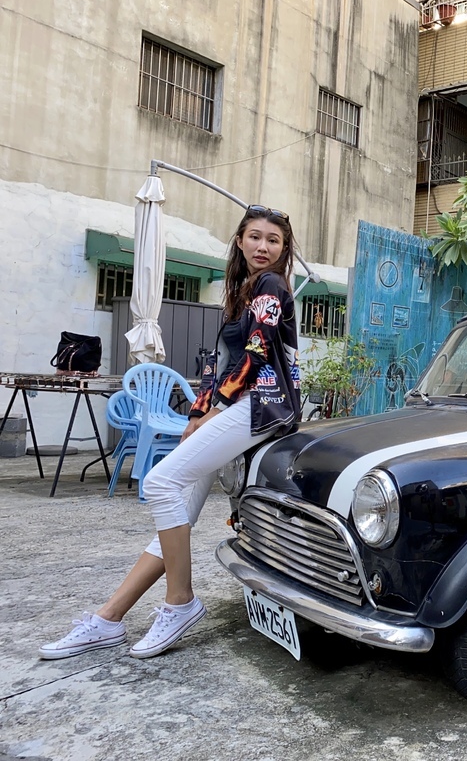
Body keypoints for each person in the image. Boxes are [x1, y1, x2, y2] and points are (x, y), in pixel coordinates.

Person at [39, 205, 302, 660]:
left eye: (273, 240)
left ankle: (180, 601)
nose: (263, 246)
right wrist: (198, 411)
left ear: (283, 250)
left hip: (261, 406)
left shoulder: (272, 285)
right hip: (236, 405)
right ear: (239, 241)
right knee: (174, 511)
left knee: (160, 483)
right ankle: (109, 617)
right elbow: (219, 365)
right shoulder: (242, 290)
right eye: (255, 237)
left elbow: (257, 351)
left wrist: (214, 408)